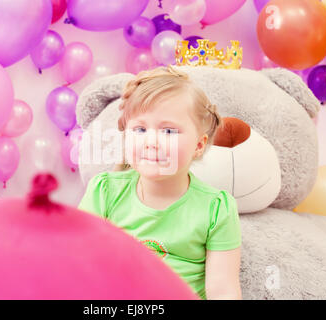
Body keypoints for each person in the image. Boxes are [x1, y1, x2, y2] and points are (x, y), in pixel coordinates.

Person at [78, 65, 242, 300]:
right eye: (140, 129)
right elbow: (82, 268)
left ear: (198, 145)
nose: (151, 141)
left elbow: (223, 290)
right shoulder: (104, 191)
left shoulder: (216, 209)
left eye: (168, 131)